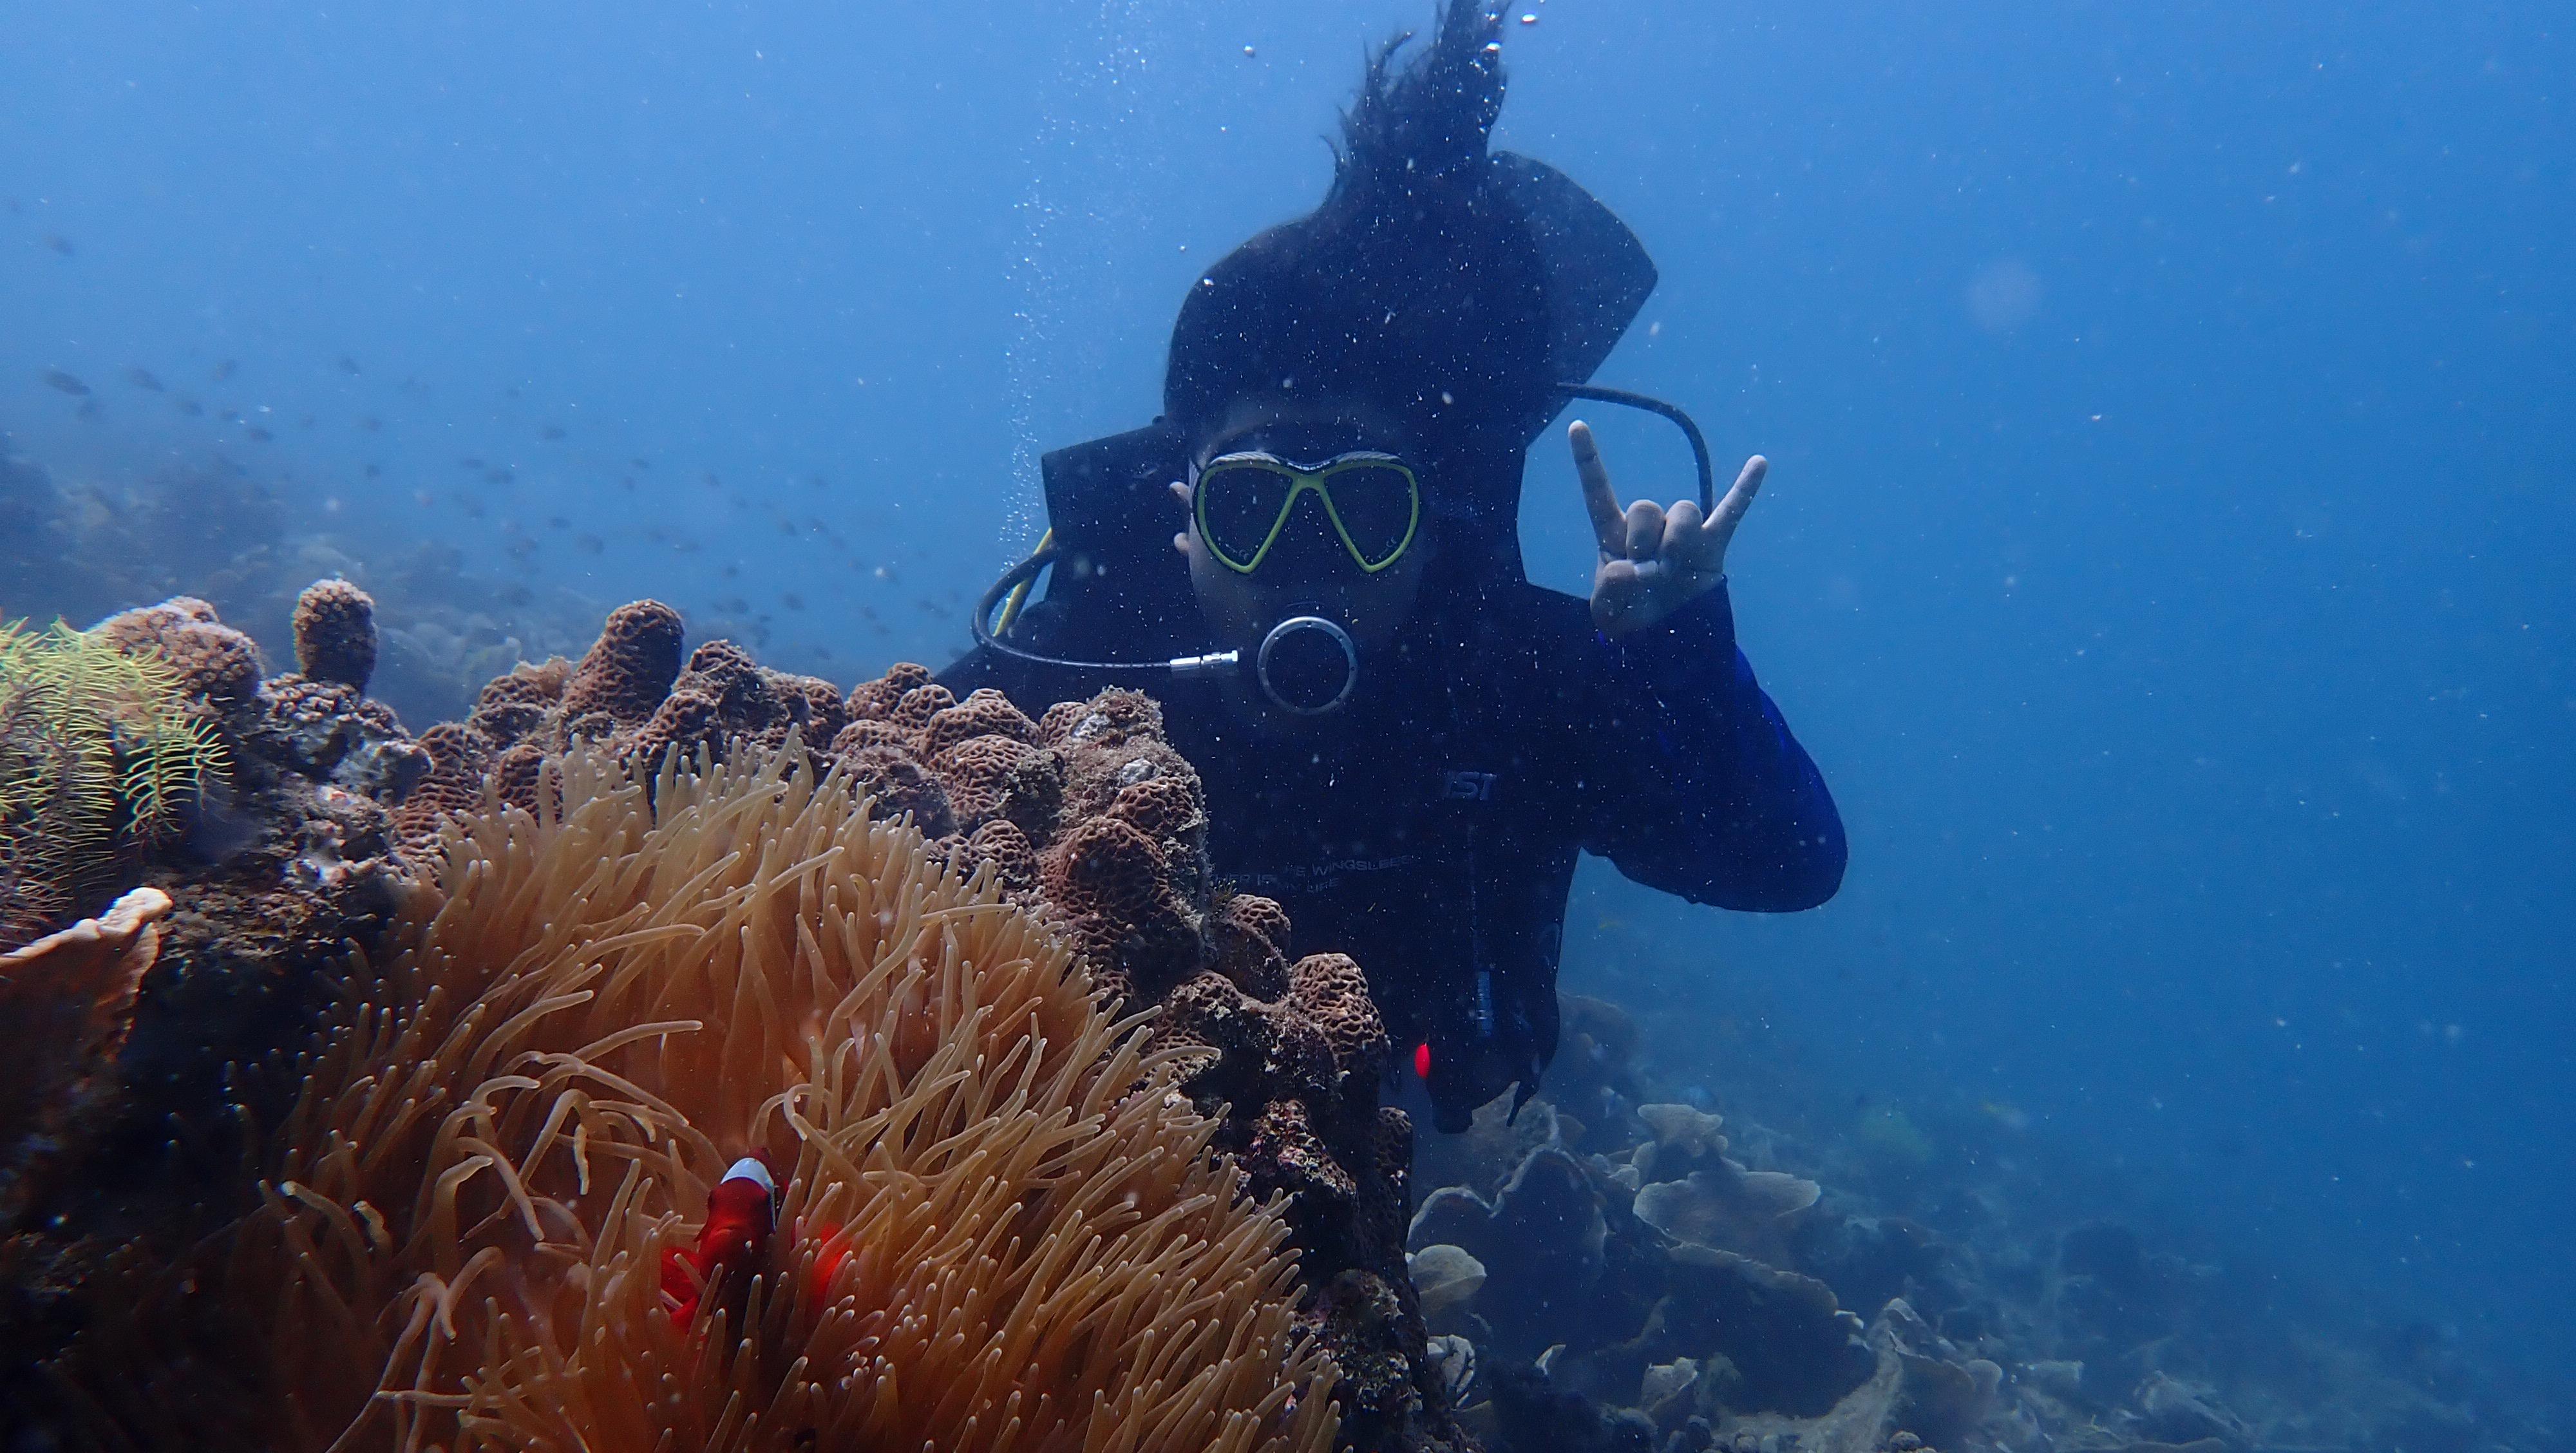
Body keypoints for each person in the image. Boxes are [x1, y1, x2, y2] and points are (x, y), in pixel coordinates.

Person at [943, 0, 1843, 1132]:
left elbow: (1786, 864)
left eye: (1363, 508)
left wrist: (1686, 657)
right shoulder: (1080, 660)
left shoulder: (1509, 680)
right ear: (1184, 522)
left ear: (1432, 527)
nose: (1306, 561)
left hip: (1390, 1147)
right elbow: (873, 804)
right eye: (1253, 508)